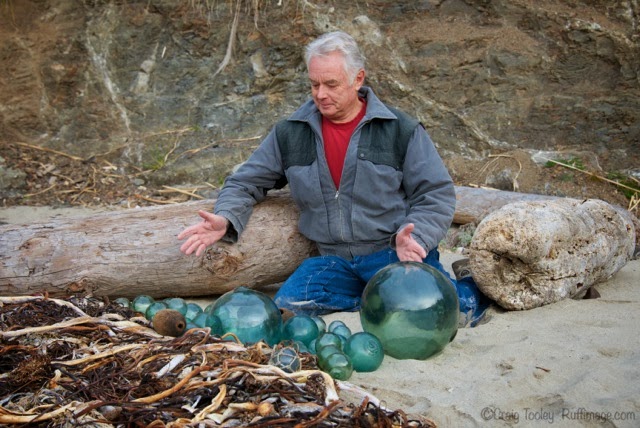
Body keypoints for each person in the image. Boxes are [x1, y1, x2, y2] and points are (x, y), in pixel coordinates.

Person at [178, 31, 489, 326]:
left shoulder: (400, 130)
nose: (321, 95)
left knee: (443, 314)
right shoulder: (290, 133)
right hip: (333, 263)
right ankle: (367, 298)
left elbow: (435, 193)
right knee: (288, 311)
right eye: (314, 85)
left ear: (358, 79)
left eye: (331, 84)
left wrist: (417, 237)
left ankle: (469, 285)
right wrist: (225, 218)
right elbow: (244, 182)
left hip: (393, 254)